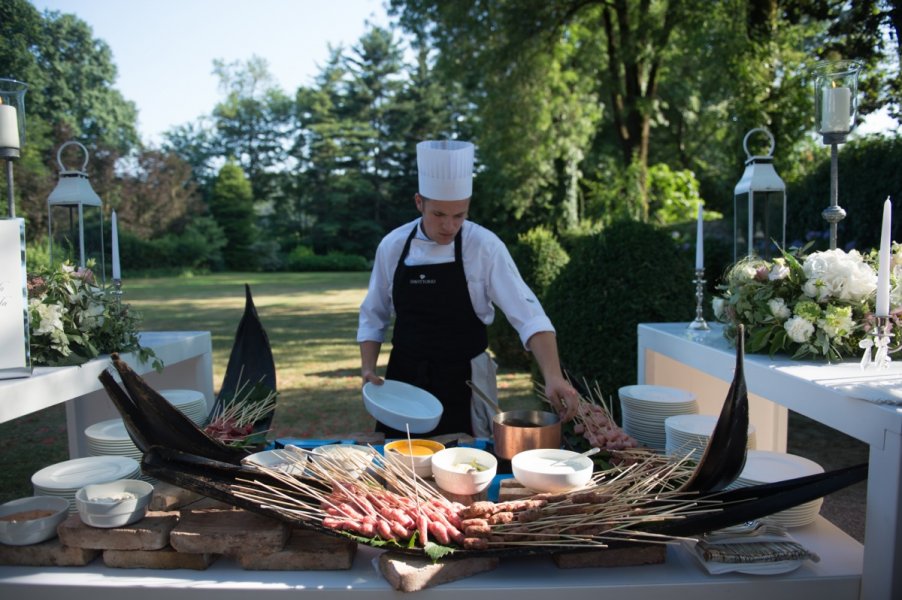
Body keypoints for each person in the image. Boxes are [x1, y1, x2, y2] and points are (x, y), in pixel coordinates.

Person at [358, 139, 578, 439]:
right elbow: (374, 313)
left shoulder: (484, 246)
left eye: (459, 215)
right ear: (419, 202)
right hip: (404, 384)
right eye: (438, 215)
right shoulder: (393, 245)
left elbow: (529, 315)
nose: (449, 226)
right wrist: (368, 368)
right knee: (401, 466)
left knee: (466, 466)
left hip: (466, 383)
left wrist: (553, 376)